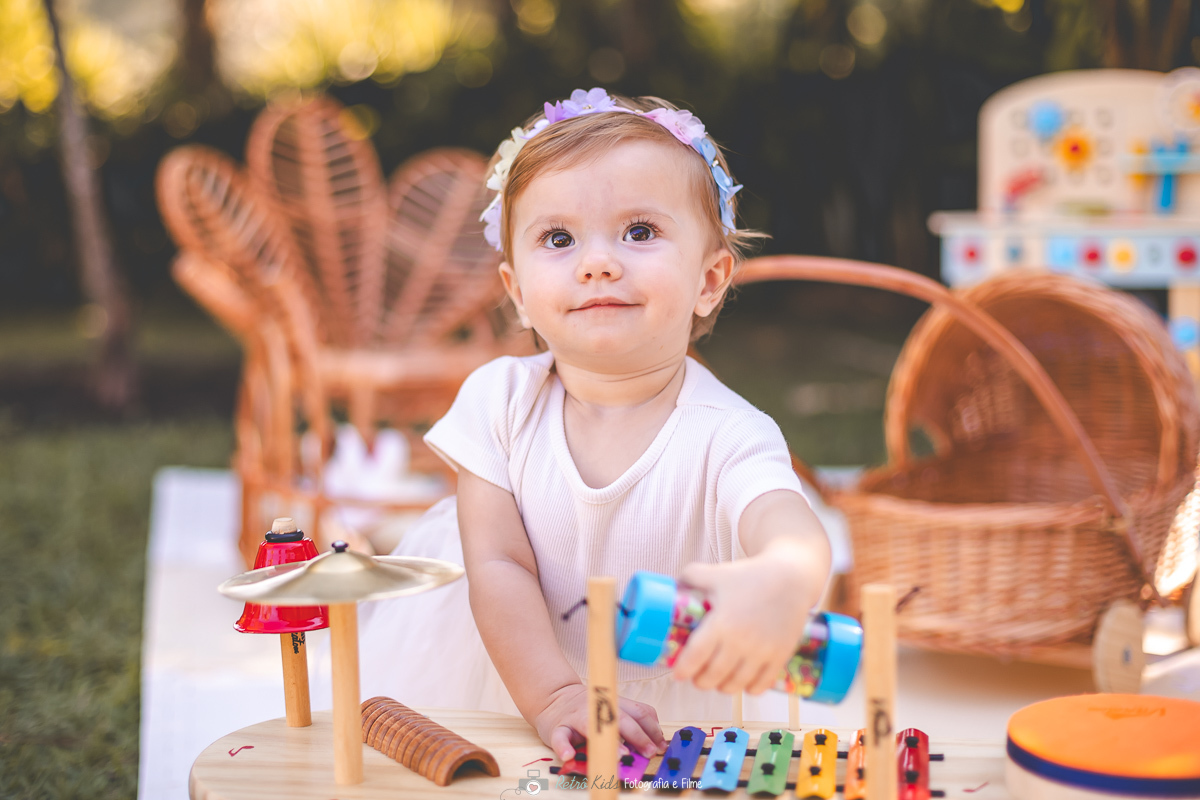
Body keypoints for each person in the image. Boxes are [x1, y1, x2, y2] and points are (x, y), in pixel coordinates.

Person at [357, 88, 832, 763]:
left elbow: (789, 526)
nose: (598, 262)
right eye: (559, 239)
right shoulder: (499, 404)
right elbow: (497, 563)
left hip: (677, 721)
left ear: (710, 279)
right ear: (518, 293)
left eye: (639, 232)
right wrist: (554, 696)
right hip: (520, 684)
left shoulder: (729, 433)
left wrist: (783, 576)